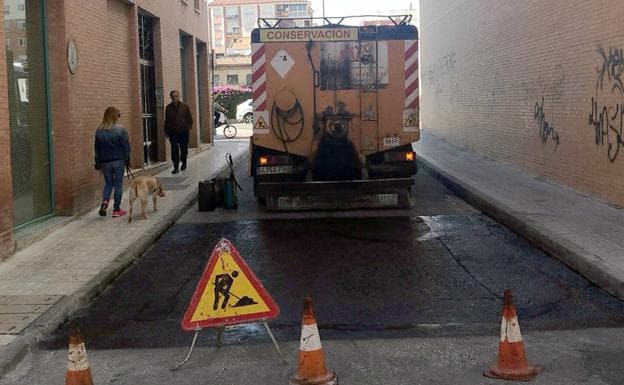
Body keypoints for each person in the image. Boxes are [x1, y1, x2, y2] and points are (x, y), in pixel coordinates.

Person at [94, 107, 130, 218]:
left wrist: (98, 162)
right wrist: (128, 160)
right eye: (118, 115)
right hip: (118, 161)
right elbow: (126, 147)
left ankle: (105, 203)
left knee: (108, 183)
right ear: (115, 116)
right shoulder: (120, 130)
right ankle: (116, 210)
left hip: (105, 162)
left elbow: (97, 149)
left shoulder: (99, 130)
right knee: (118, 184)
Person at [165, 90, 193, 174]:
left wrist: (188, 127)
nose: (175, 98)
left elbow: (190, 119)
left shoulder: (185, 107)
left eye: (176, 96)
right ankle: (176, 167)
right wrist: (166, 131)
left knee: (183, 149)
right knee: (174, 150)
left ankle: (184, 161)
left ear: (179, 96)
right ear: (171, 97)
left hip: (183, 132)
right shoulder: (168, 108)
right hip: (173, 132)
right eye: (173, 97)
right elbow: (166, 120)